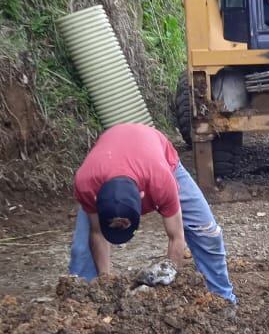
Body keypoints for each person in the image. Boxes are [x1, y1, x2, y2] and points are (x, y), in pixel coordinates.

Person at [69, 123, 236, 303]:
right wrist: (106, 282)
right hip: (108, 159)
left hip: (157, 157)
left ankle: (223, 299)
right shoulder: (86, 185)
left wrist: (168, 280)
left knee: (206, 232)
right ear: (97, 200)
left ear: (143, 196)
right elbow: (97, 232)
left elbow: (176, 236)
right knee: (81, 251)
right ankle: (85, 308)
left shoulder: (161, 180)